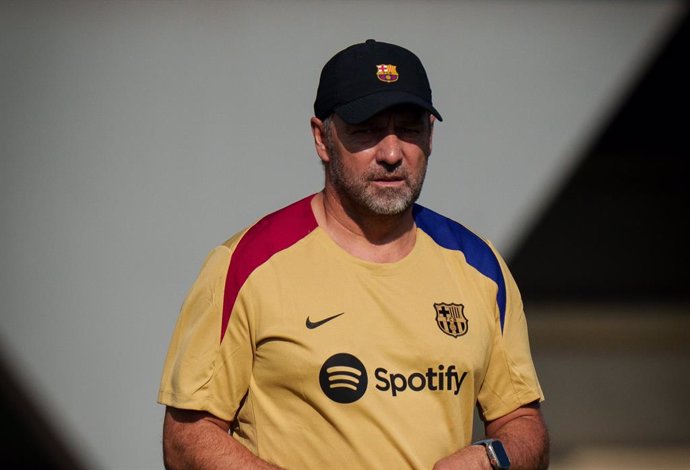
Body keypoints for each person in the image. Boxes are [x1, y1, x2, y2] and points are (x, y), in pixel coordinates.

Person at [158, 39, 549, 470]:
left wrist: (490, 457)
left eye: (410, 128)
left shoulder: (480, 265)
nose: (392, 153)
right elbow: (186, 439)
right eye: (367, 130)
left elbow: (523, 423)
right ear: (322, 139)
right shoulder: (246, 262)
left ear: (431, 138)